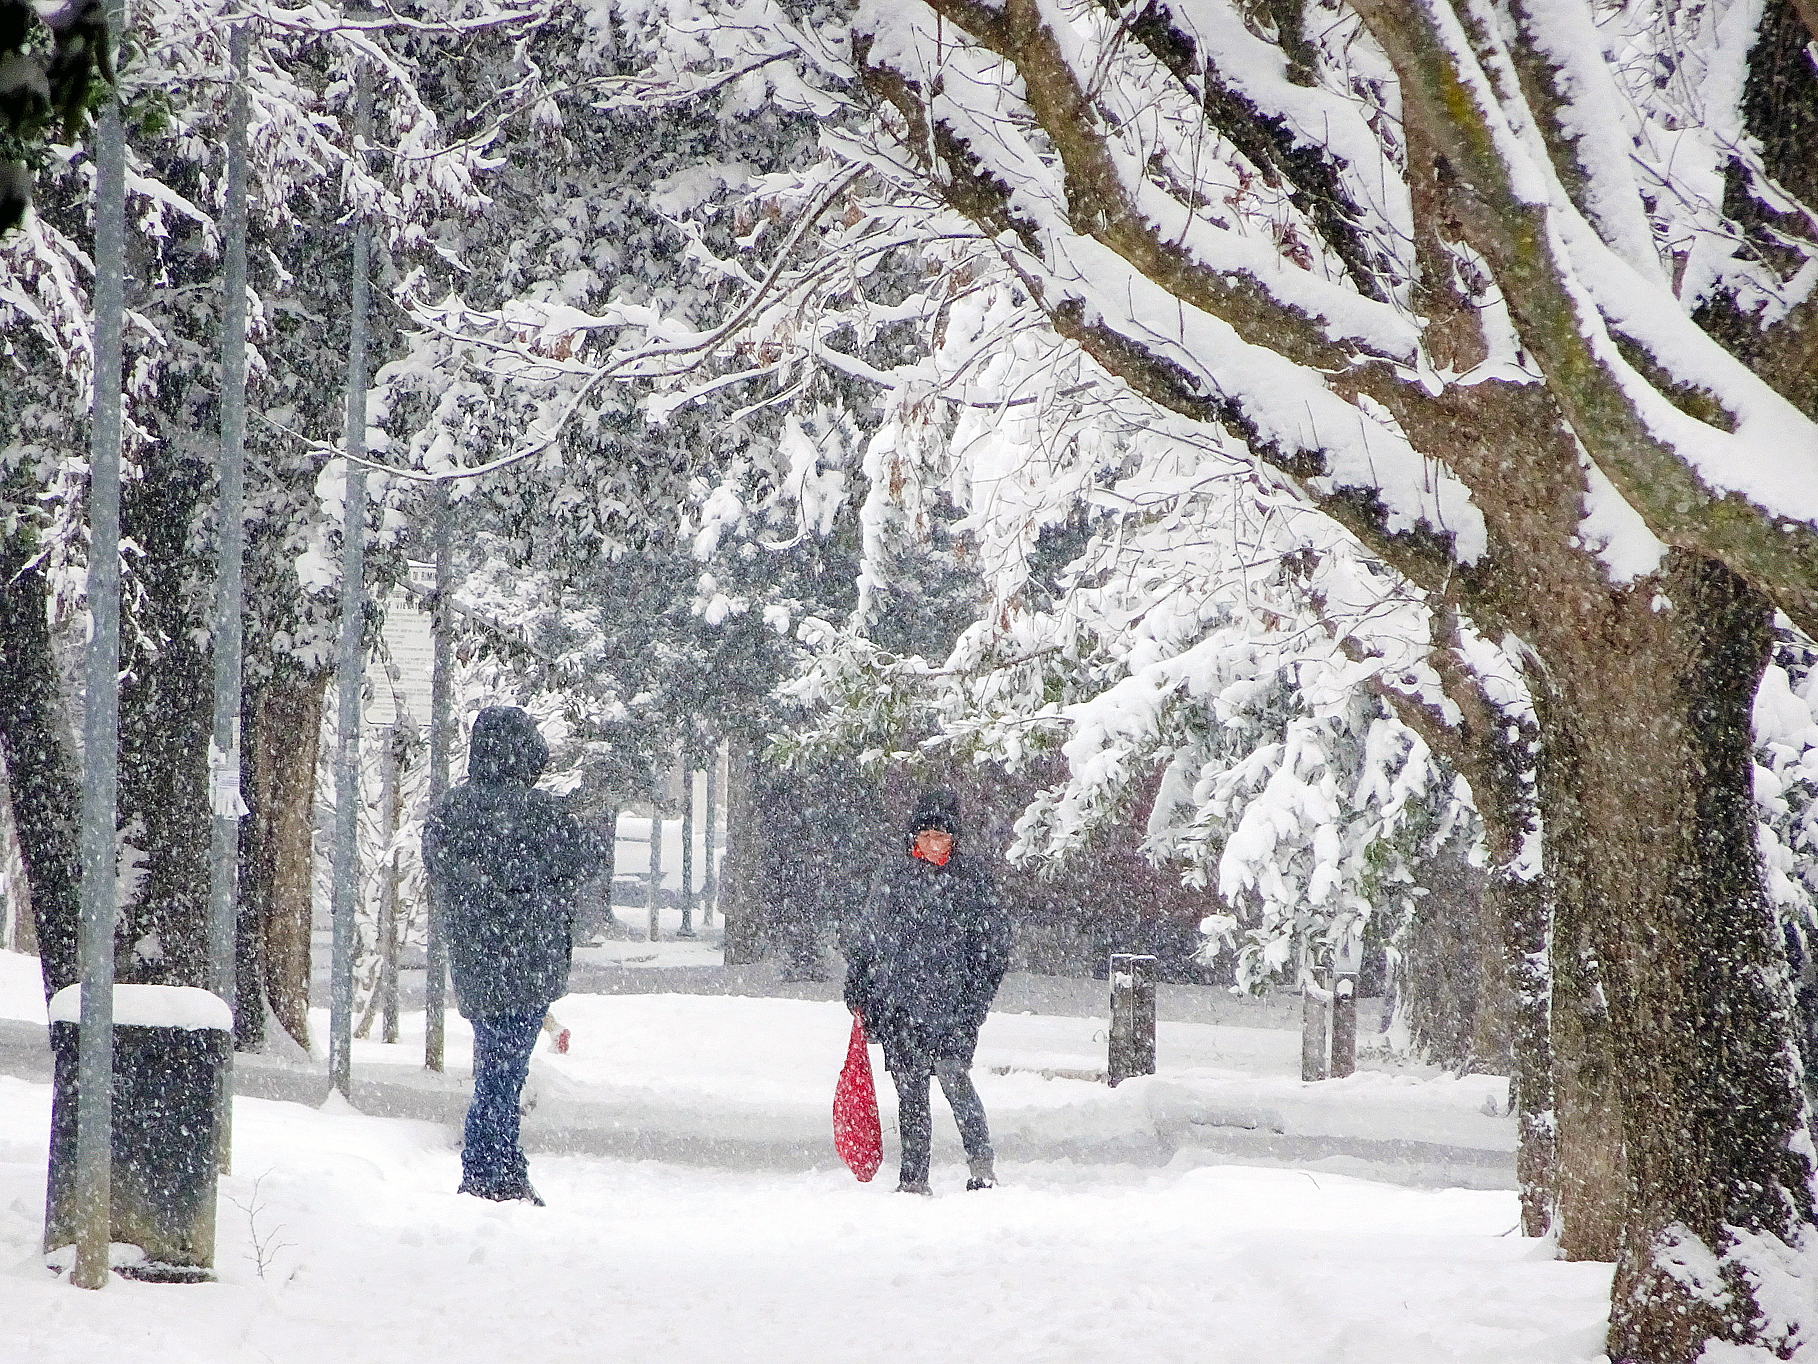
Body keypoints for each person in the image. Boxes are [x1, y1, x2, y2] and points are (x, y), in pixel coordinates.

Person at [423, 706, 592, 1205]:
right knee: (503, 1073)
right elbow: (577, 865)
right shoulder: (546, 816)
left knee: (496, 1066)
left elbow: (443, 870)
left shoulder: (450, 813)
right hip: (529, 963)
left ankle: (500, 1164)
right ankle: (488, 1170)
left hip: (477, 964)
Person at [843, 788, 1011, 1194]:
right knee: (911, 1093)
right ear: (914, 840)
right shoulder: (893, 881)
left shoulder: (971, 884)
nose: (936, 846)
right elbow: (867, 943)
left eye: (943, 837)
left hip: (952, 1009)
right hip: (900, 1011)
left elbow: (992, 950)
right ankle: (913, 1179)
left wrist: (974, 1004)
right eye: (927, 837)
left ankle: (981, 1167)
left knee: (956, 1081)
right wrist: (861, 992)